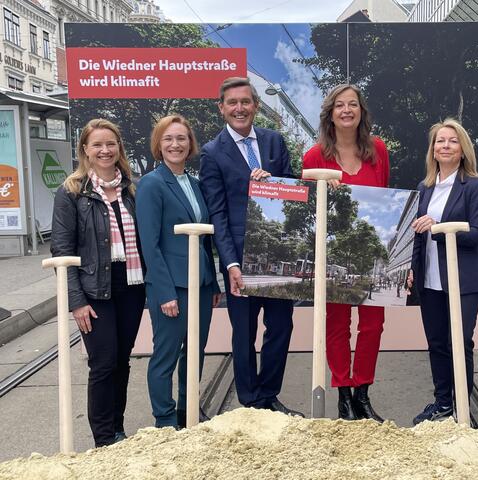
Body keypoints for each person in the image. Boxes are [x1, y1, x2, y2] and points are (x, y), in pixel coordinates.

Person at [199, 77, 301, 416]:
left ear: (255, 106)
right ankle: (249, 402)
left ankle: (269, 396)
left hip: (277, 257)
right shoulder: (212, 153)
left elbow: (295, 194)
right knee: (243, 333)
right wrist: (230, 264)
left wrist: (276, 185)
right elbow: (217, 213)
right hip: (240, 261)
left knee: (281, 327)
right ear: (222, 108)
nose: (240, 108)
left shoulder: (274, 142)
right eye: (232, 103)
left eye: (245, 101)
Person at [51, 119, 146, 447]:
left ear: (119, 148)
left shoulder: (133, 189)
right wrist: (76, 301)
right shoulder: (71, 191)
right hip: (95, 289)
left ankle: (117, 428)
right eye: (97, 145)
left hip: (132, 286)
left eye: (111, 144)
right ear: (85, 151)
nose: (105, 150)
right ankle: (104, 440)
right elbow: (62, 250)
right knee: (103, 362)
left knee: (122, 359)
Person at [303, 84, 388, 422]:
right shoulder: (314, 156)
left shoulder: (378, 150)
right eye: (340, 105)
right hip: (333, 254)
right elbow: (306, 203)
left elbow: (384, 200)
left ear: (361, 112)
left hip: (371, 253)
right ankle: (343, 396)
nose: (347, 110)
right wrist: (323, 184)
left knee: (373, 324)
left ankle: (363, 393)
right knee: (337, 325)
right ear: (330, 114)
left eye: (353, 104)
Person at [137, 115, 222, 428]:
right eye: (168, 139)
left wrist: (212, 283)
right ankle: (165, 419)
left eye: (182, 138)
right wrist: (163, 292)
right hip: (172, 287)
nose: (175, 144)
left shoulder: (195, 184)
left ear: (190, 144)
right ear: (159, 144)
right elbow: (150, 244)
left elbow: (204, 239)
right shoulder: (151, 183)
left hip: (200, 284)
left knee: (195, 353)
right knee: (166, 355)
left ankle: (188, 410)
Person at [406, 118, 478, 424]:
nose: (445, 145)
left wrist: (438, 229)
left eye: (452, 141)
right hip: (429, 281)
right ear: (432, 149)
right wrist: (411, 269)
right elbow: (417, 233)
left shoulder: (476, 186)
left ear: (463, 149)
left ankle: (461, 409)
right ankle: (442, 404)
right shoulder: (424, 187)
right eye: (440, 141)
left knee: (460, 342)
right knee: (438, 344)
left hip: (463, 281)